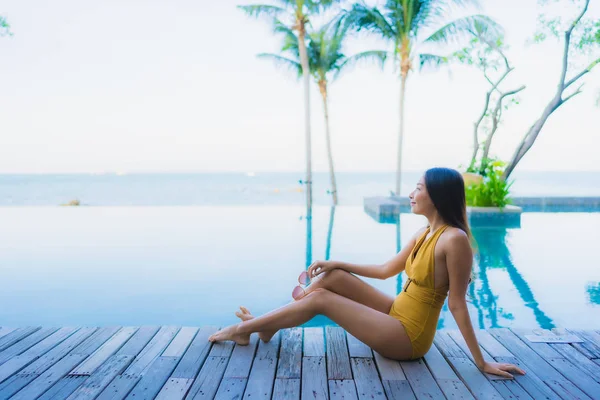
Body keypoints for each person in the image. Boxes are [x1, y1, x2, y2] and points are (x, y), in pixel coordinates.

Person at [208, 167, 526, 378]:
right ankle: (268, 326)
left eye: (418, 189)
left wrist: (482, 362)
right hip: (396, 313)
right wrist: (337, 263)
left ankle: (244, 331)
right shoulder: (423, 233)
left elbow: (456, 304)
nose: (411, 195)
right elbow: (386, 270)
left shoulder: (454, 240)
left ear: (438, 196)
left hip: (409, 338)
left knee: (321, 299)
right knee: (331, 279)